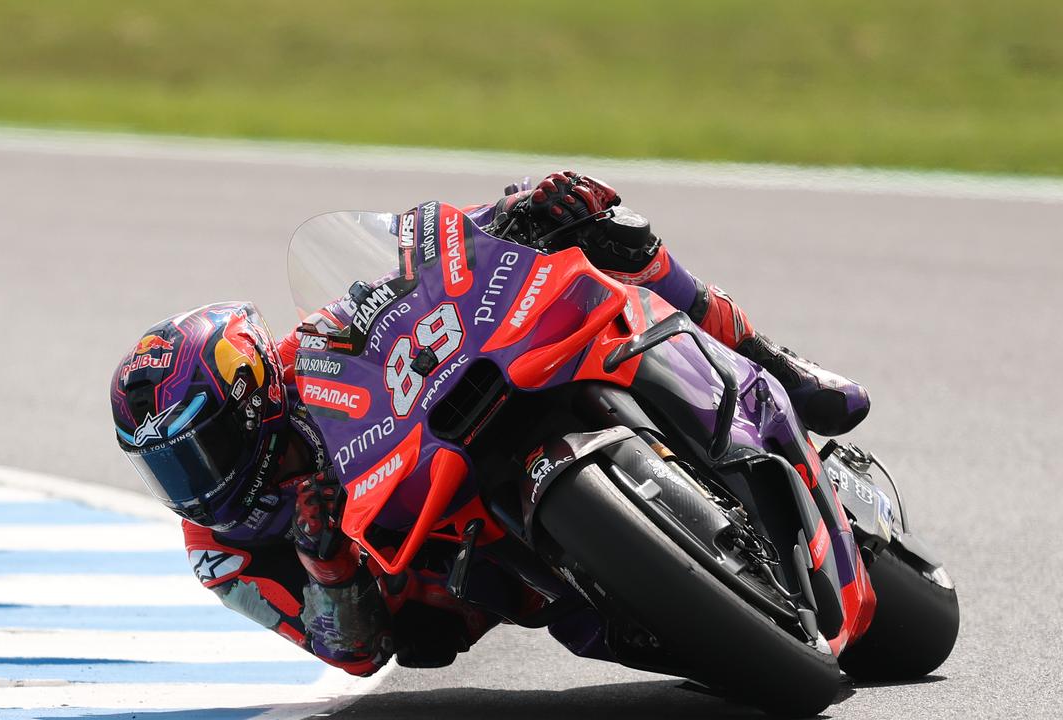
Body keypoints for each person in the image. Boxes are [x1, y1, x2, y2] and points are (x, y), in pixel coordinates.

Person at [109, 171, 871, 676]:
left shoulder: (304, 355)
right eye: (168, 467)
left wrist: (518, 212)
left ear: (252, 397)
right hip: (456, 567)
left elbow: (414, 266)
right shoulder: (221, 553)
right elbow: (352, 655)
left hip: (455, 430)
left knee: (611, 234)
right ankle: (677, 607)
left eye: (198, 450)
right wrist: (326, 566)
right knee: (470, 638)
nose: (193, 484)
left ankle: (774, 360)